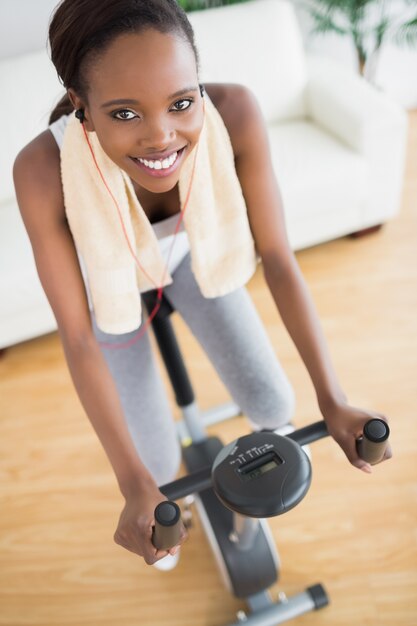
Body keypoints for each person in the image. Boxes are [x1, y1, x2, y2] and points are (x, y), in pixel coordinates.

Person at [13, 0, 391, 568]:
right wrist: (133, 483)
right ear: (80, 106)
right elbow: (78, 338)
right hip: (108, 289)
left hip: (195, 260)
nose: (161, 138)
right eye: (123, 114)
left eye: (181, 103)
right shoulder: (42, 169)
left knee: (273, 400)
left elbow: (279, 261)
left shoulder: (235, 111)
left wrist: (332, 397)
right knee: (157, 463)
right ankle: (168, 506)